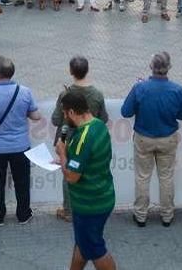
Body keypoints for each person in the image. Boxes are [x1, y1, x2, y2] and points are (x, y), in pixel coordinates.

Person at [121, 51, 182, 227]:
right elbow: (181, 115)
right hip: (167, 138)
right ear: (169, 67)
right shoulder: (178, 90)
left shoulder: (140, 88)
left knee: (143, 177)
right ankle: (167, 215)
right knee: (166, 176)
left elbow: (125, 111)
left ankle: (141, 215)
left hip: (144, 138)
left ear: (151, 67)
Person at [0, 55, 41, 226]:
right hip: (21, 147)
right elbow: (36, 116)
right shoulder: (24, 91)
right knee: (22, 181)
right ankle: (24, 214)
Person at [55, 90, 118, 270]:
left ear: (73, 112)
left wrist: (61, 154)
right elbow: (86, 161)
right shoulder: (98, 125)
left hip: (89, 204)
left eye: (65, 113)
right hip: (102, 195)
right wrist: (65, 157)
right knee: (83, 244)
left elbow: (73, 177)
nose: (64, 117)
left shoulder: (83, 138)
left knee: (95, 248)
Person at [51, 56, 110, 222]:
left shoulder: (65, 94)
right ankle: (85, 207)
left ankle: (69, 210)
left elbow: (56, 120)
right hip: (91, 138)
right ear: (88, 70)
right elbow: (103, 118)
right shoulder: (97, 94)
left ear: (71, 71)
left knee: (68, 173)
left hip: (67, 139)